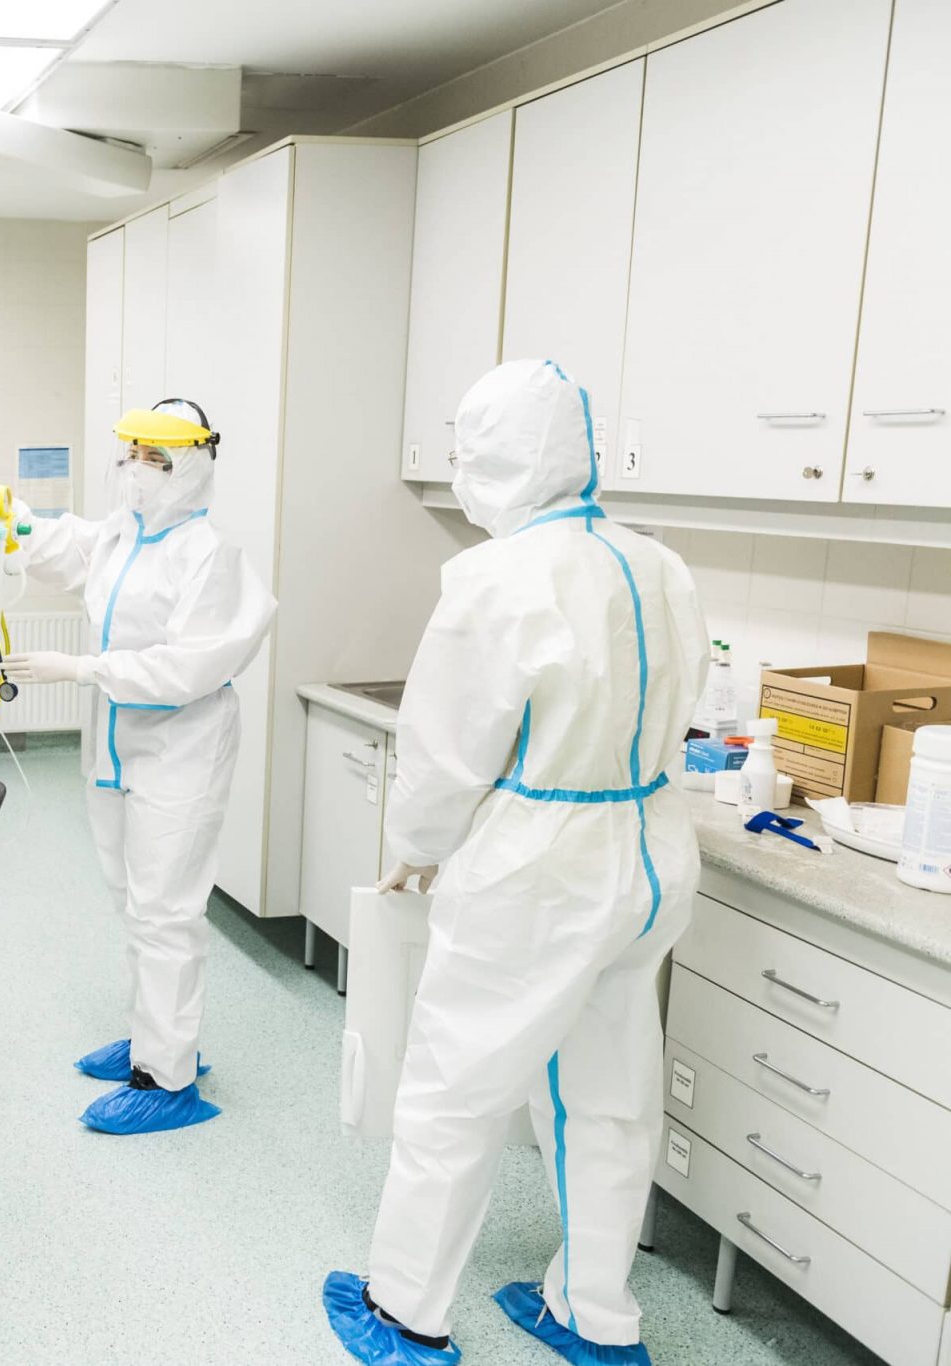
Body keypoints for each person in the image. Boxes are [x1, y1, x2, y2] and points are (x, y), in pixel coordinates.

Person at [324, 361, 708, 1366]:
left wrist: (415, 850)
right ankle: (594, 1313)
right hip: (650, 851)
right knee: (608, 1093)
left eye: (466, 450)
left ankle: (404, 1312)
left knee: (455, 1084)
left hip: (543, 863)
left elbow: (444, 750)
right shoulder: (659, 564)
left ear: (495, 458)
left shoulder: (493, 576)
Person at [0, 398, 274, 1135]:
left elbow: (187, 667)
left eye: (156, 457)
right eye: (132, 453)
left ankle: (167, 1080)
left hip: (181, 748)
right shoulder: (121, 535)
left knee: (166, 912)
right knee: (133, 901)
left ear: (194, 464)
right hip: (118, 745)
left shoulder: (210, 556)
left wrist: (81, 667)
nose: (138, 469)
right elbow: (43, 539)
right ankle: (151, 1038)